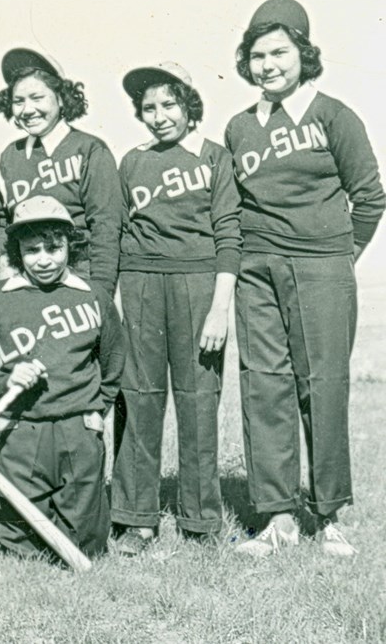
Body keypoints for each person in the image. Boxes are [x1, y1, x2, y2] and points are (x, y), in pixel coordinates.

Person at [226, 0, 385, 557]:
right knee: (263, 384)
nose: (268, 65)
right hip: (256, 273)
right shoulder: (239, 128)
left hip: (322, 268)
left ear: (304, 53)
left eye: (280, 52)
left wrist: (341, 257)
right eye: (257, 55)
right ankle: (276, 518)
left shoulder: (333, 116)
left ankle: (329, 514)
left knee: (323, 386)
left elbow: (369, 196)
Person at [109, 63, 242, 555]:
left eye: (169, 105)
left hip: (199, 283)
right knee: (139, 398)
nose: (160, 116)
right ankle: (136, 517)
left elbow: (230, 233)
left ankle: (201, 519)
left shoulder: (213, 158)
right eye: (149, 108)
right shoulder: (131, 161)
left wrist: (219, 308)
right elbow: (119, 231)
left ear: (189, 105)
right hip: (141, 282)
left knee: (198, 398)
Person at [0, 196, 124, 561]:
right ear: (15, 250)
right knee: (21, 545)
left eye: (54, 248)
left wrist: (96, 411)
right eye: (32, 249)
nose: (44, 259)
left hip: (77, 426)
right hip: (21, 429)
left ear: (71, 244)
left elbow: (114, 360)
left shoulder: (93, 295)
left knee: (86, 542)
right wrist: (7, 379)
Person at [0, 48, 124, 296]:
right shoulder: (11, 155)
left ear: (61, 98)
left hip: (79, 275)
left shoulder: (89, 148)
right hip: (26, 276)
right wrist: (3, 260)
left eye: (37, 98)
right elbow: (4, 220)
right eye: (19, 101)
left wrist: (101, 290)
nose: (27, 110)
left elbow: (106, 225)